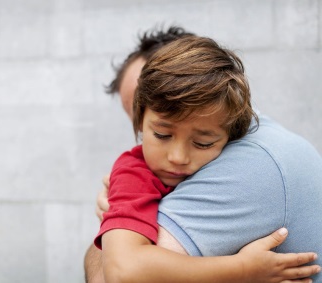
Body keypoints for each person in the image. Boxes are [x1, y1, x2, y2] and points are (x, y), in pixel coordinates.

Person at [84, 26, 322, 283]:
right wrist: (242, 269)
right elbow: (122, 272)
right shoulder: (134, 175)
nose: (177, 157)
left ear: (232, 134)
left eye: (203, 143)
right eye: (161, 134)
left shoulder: (251, 160)